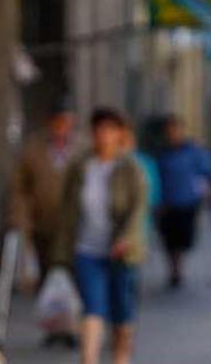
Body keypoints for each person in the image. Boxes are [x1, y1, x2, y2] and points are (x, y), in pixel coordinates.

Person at [54, 108, 147, 364]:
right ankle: (89, 359)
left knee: (121, 313)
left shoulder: (130, 168)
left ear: (120, 134)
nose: (104, 135)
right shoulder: (81, 165)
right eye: (99, 129)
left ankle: (120, 357)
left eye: (110, 130)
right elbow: (67, 208)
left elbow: (139, 208)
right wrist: (62, 248)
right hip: (86, 248)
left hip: (123, 251)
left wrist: (126, 238)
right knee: (92, 308)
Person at [11, 100, 77, 284]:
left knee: (73, 276)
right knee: (47, 276)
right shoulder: (33, 149)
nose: (62, 127)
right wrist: (21, 218)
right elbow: (20, 188)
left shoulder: (82, 149)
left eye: (67, 122)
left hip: (74, 226)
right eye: (58, 122)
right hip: (42, 223)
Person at [155, 116, 211, 288]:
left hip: (187, 201)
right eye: (170, 131)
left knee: (184, 238)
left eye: (176, 130)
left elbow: (206, 172)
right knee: (169, 240)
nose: (173, 134)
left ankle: (179, 264)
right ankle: (175, 269)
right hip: (167, 202)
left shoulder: (193, 151)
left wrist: (206, 191)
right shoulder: (162, 153)